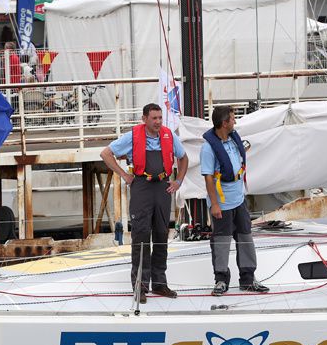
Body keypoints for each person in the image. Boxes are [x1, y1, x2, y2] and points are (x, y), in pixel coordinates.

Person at [100, 103, 189, 302]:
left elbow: (183, 158)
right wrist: (123, 174)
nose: (158, 122)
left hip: (163, 188)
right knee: (141, 236)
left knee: (161, 235)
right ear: (144, 119)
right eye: (154, 118)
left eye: (160, 118)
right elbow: (106, 153)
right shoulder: (132, 136)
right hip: (141, 186)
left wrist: (178, 181)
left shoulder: (168, 135)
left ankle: (159, 283)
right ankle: (139, 286)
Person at [200, 105, 269, 296]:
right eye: (232, 118)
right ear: (224, 123)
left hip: (238, 200)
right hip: (222, 204)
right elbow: (208, 178)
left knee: (245, 237)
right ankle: (221, 280)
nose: (235, 122)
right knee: (221, 242)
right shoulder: (208, 149)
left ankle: (247, 279)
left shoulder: (232, 140)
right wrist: (214, 204)